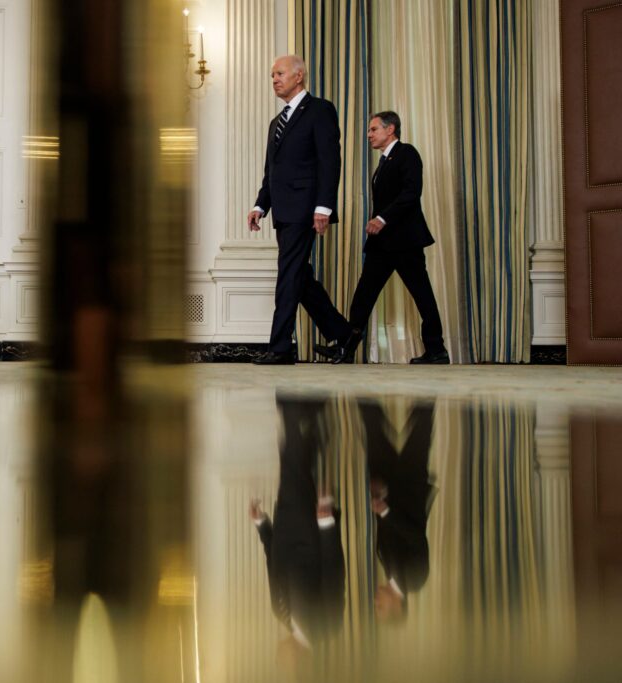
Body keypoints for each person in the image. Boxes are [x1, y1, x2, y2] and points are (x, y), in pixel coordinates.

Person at [316, 111, 449, 364]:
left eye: (373, 129)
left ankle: (437, 351)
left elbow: (411, 193)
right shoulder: (384, 162)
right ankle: (346, 349)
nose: (368, 135)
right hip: (383, 244)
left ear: (391, 130)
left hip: (406, 241)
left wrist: (382, 219)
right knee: (363, 295)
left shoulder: (407, 153)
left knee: (422, 295)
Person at [248, 55, 354, 365]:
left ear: (299, 75)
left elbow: (329, 161)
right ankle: (343, 332)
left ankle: (280, 348)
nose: (274, 79)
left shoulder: (320, 109)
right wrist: (260, 204)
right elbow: (272, 171)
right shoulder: (275, 123)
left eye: (279, 73)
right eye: (272, 75)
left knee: (288, 274)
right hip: (282, 211)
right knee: (300, 277)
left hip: (306, 208)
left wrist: (323, 205)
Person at [249, 397, 345, 650]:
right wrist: (327, 526)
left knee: (295, 464)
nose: (279, 659)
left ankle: (311, 414)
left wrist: (261, 524)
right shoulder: (327, 627)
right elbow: (334, 572)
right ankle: (291, 402)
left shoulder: (279, 614)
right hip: (308, 528)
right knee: (292, 464)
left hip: (283, 524)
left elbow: (273, 562)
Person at [358, 398, 435, 622]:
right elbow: (415, 537)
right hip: (410, 485)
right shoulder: (416, 579)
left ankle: (362, 372)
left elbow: (386, 527)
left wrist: (379, 497)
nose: (375, 603)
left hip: (388, 484)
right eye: (380, 608)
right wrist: (385, 511)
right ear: (396, 607)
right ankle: (431, 370)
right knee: (422, 426)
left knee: (371, 424)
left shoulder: (388, 568)